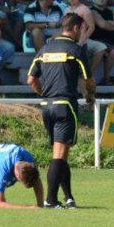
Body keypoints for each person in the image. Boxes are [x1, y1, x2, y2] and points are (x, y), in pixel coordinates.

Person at [27, 14, 96, 209]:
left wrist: (45, 94)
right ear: (75, 28)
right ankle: (50, 200)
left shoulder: (44, 49)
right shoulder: (76, 50)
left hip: (47, 106)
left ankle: (69, 197)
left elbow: (31, 80)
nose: (81, 34)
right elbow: (89, 81)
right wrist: (90, 98)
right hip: (65, 105)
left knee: (61, 154)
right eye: (82, 29)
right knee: (59, 154)